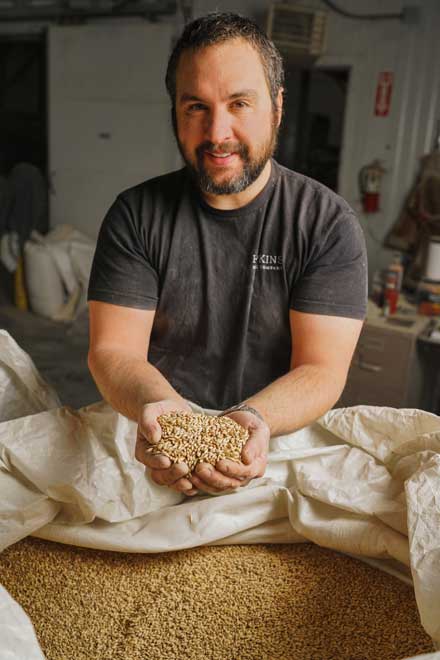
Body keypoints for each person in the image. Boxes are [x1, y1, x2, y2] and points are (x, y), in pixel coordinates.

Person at [87, 12, 367, 499]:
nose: (217, 132)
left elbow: (322, 368)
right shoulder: (136, 214)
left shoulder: (326, 224)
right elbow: (113, 350)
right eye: (196, 106)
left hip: (273, 445)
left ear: (277, 108)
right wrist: (165, 412)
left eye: (240, 103)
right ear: (174, 111)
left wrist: (250, 421)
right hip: (155, 441)